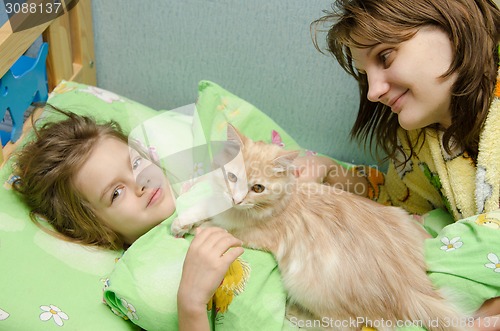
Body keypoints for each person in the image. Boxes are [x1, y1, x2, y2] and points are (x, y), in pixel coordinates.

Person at [310, 0, 500, 329]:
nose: (373, 92)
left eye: (385, 56)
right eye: (366, 75)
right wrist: (332, 174)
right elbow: (396, 206)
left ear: (454, 22)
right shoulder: (424, 142)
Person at [11, 109, 244, 331]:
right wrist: (191, 304)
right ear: (98, 231)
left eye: (135, 163)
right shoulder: (138, 280)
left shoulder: (214, 181)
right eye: (116, 193)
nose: (141, 181)